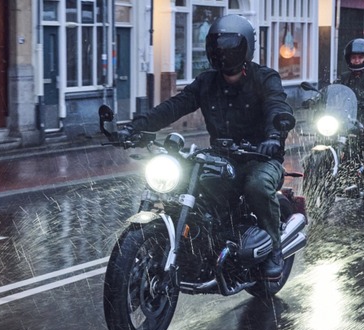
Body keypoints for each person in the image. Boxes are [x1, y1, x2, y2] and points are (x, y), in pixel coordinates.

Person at [122, 14, 293, 280]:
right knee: (184, 183)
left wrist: (274, 135)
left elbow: (276, 105)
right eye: (218, 47)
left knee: (257, 186)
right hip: (220, 157)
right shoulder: (207, 82)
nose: (223, 53)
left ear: (245, 48)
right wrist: (136, 127)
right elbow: (176, 105)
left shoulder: (264, 78)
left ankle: (274, 249)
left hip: (260, 158)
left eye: (229, 47)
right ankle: (200, 243)